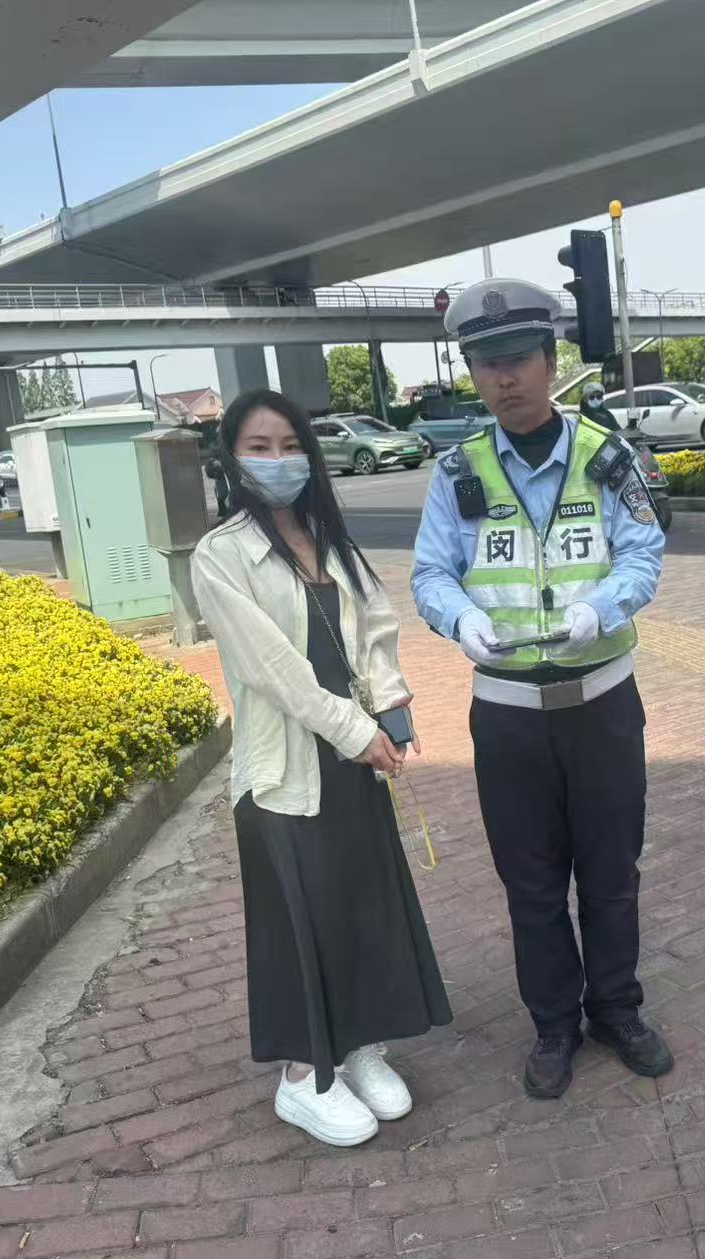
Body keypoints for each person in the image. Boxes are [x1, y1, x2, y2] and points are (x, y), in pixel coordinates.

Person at [412, 278, 671, 1100]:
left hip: (602, 704)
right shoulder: (458, 471)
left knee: (610, 872)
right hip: (509, 716)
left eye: (518, 358)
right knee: (530, 883)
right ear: (472, 374)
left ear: (549, 362)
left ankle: (617, 1011)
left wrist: (604, 607)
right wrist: (458, 619)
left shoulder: (605, 457)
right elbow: (430, 572)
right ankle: (554, 1026)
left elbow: (643, 553)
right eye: (485, 363)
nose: (504, 377)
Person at [191, 388, 451, 1148]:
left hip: (352, 757)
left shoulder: (327, 537)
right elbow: (270, 666)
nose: (277, 461)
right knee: (298, 918)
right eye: (258, 447)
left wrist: (391, 707)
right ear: (232, 459)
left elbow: (373, 629)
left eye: (289, 445)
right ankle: (303, 1077)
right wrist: (353, 730)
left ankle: (360, 1044)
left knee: (360, 903)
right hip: (285, 769)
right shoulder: (222, 554)